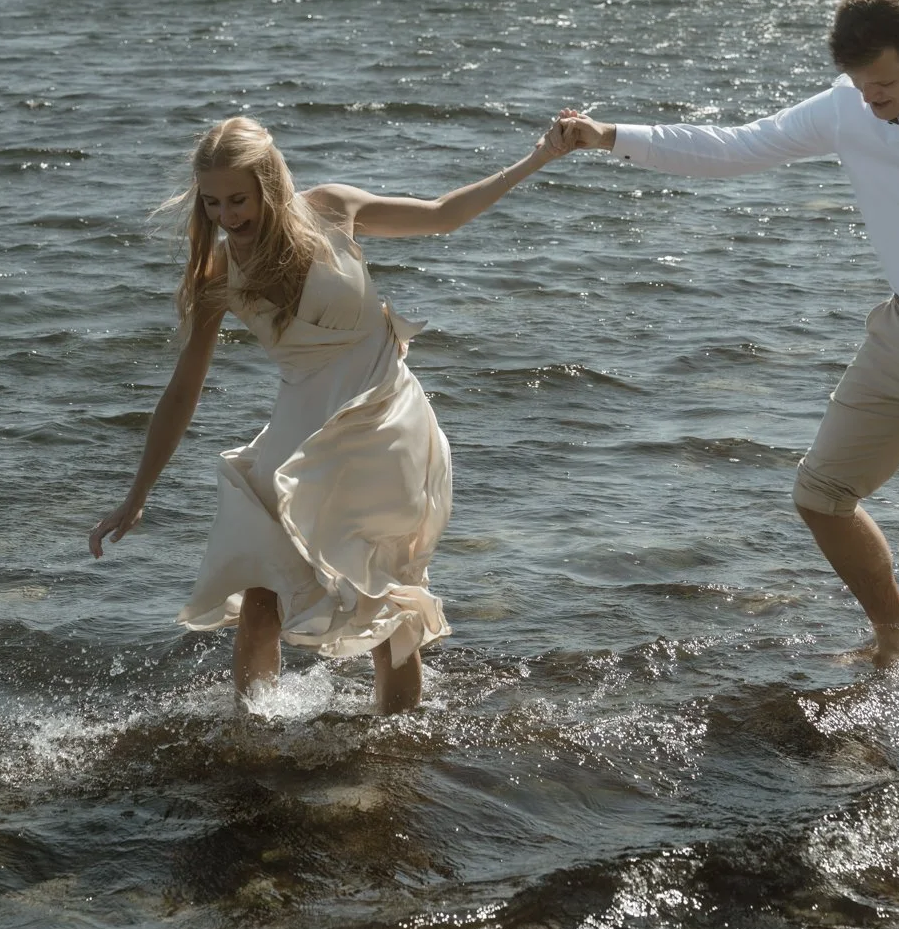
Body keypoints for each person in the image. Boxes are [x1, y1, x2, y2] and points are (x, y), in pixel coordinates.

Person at [550, 0, 899, 746]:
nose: (872, 100)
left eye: (885, 83)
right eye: (860, 85)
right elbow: (734, 148)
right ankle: (897, 634)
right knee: (820, 494)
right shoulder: (846, 107)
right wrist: (608, 136)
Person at [89, 115, 564, 715]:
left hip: (382, 420)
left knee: (386, 600)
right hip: (300, 430)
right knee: (262, 594)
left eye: (238, 199)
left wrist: (537, 158)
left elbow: (444, 213)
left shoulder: (333, 210)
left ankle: (397, 750)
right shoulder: (218, 272)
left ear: (270, 184)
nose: (227, 216)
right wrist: (136, 495)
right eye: (211, 204)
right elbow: (183, 390)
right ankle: (251, 740)